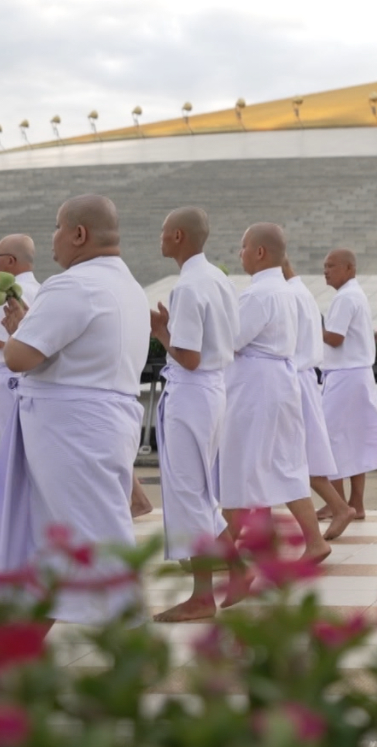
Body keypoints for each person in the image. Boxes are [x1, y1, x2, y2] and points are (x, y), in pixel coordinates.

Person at [0, 195, 150, 626]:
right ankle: (23, 648)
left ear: (79, 234)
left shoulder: (73, 283)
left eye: (57, 228)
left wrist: (17, 330)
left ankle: (134, 643)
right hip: (102, 418)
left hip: (72, 430)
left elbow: (18, 357)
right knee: (54, 536)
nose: (53, 239)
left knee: (91, 534)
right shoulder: (128, 285)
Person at [147, 207, 249, 622]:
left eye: (163, 232)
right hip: (213, 390)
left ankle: (202, 595)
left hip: (192, 391)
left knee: (190, 492)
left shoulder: (188, 286)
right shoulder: (218, 278)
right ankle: (237, 571)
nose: (160, 238)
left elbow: (188, 357)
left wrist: (161, 332)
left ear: (177, 236)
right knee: (199, 491)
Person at [219, 223, 331, 563]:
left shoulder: (257, 294)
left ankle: (222, 552)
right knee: (283, 463)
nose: (240, 254)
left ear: (259, 252)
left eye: (242, 247)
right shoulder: (287, 291)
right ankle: (312, 541)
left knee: (241, 464)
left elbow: (231, 341)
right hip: (281, 380)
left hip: (257, 387)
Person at [283, 258, 356, 539]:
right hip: (303, 380)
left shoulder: (287, 294)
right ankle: (339, 507)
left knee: (290, 458)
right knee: (301, 457)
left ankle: (338, 509)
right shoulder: (299, 292)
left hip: (295, 381)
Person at [320, 249, 377, 521]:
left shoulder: (346, 297)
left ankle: (339, 504)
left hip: (345, 376)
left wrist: (309, 326)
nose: (326, 271)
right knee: (353, 439)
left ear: (349, 269)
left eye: (331, 266)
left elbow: (334, 338)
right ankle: (354, 502)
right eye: (324, 266)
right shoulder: (354, 294)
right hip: (356, 375)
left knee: (332, 438)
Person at [0, 234, 40, 435]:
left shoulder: (10, 292)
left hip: (9, 374)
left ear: (10, 260)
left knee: (7, 443)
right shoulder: (41, 290)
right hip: (32, 376)